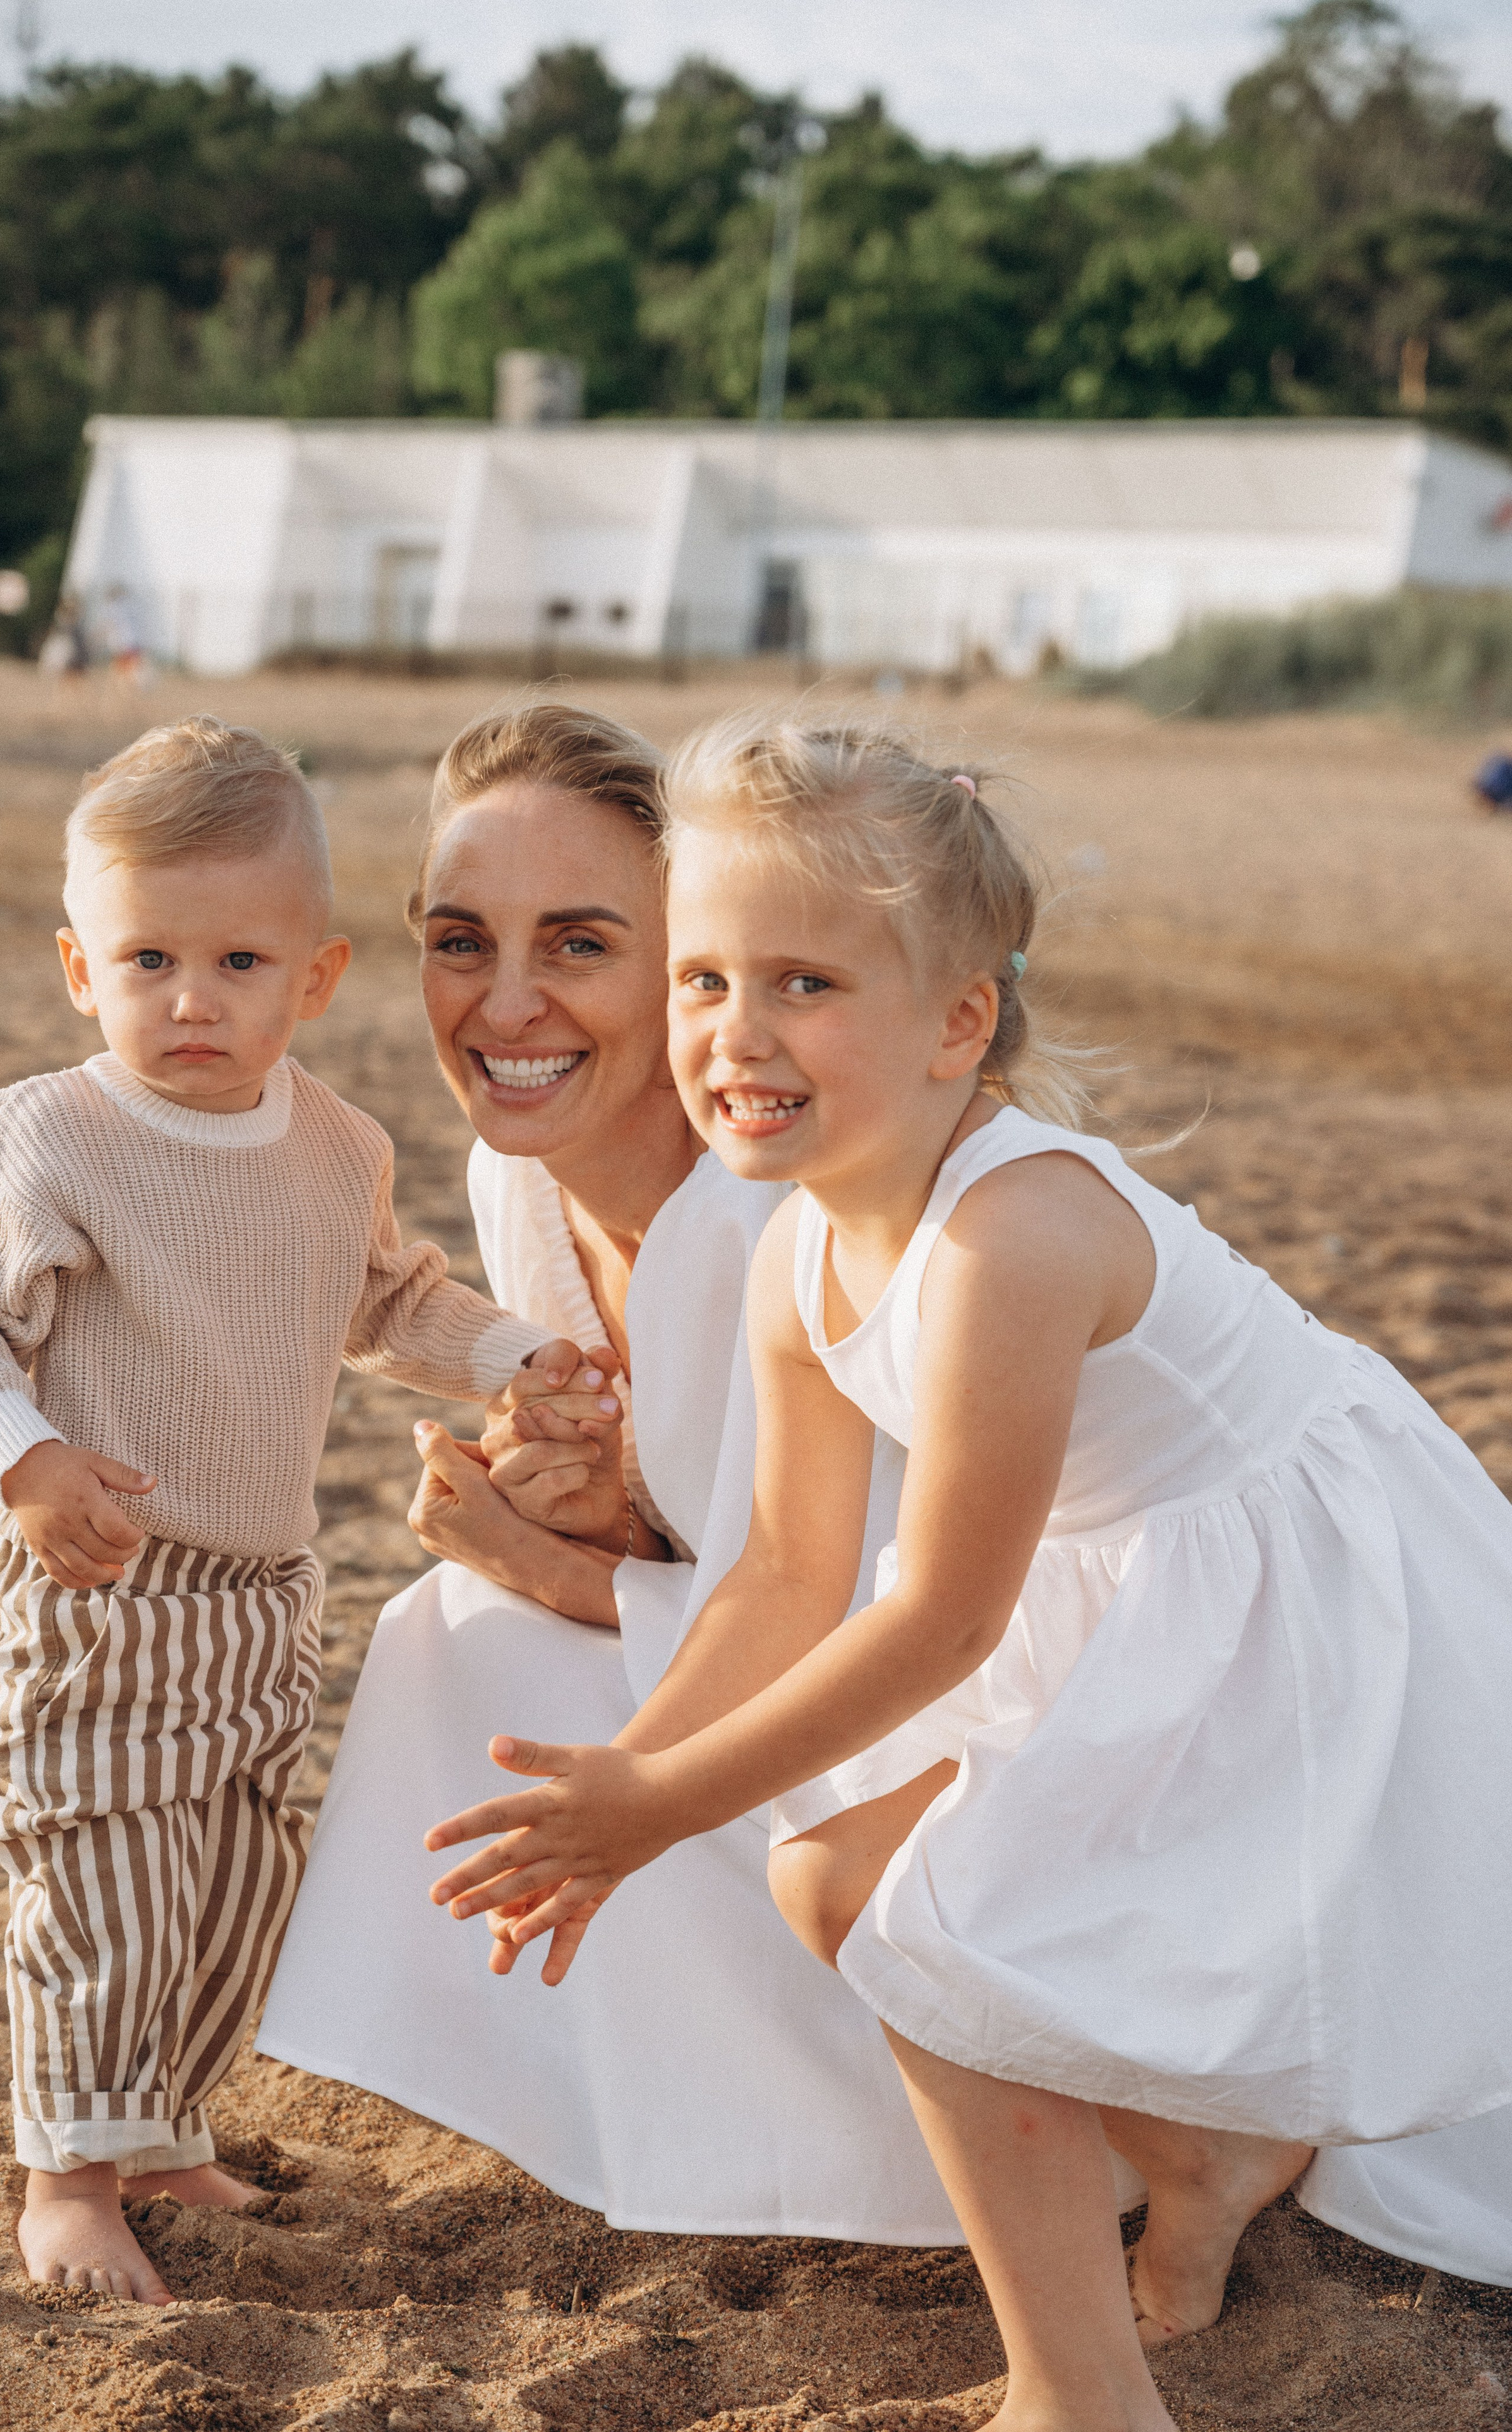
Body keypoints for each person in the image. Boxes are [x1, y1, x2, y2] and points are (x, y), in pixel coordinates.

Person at [426, 718, 1512, 2428]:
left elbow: (941, 1616)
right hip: (1126, 1583)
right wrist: (635, 1778)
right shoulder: (799, 1241)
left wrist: (656, 1806)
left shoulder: (1015, 1236)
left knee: (922, 1907)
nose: (735, 1035)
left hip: (1290, 1600)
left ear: (959, 1021)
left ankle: (1082, 2394)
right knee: (841, 1881)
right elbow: (788, 1568)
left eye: (804, 985)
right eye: (702, 981)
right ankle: (1210, 2164)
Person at [261, 704, 1117, 2240]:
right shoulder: (512, 1171)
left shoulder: (772, 1200)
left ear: (684, 955)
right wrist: (600, 1513)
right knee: (455, 1640)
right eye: (461, 940)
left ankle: (867, 2139)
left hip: (1004, 1691)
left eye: (580, 944)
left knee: (501, 1630)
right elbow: (722, 1540)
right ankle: (562, 2078)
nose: (504, 1001)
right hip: (814, 1633)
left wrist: (558, 1565)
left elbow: (860, 1609)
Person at [0, 716, 584, 2307]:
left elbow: (386, 1300)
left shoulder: (332, 1145)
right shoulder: (48, 1134)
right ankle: (68, 2171)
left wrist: (516, 1351)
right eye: (148, 959)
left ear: (316, 978)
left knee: (230, 1883)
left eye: (236, 962)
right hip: (91, 1590)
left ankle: (160, 2129)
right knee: (104, 1883)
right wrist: (26, 1457)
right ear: (82, 969)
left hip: (260, 1596)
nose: (191, 999)